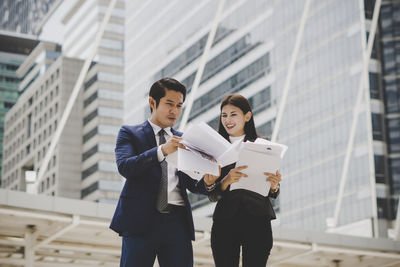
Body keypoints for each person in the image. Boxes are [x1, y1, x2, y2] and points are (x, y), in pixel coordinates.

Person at [110, 78, 218, 267]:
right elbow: (125, 166)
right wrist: (162, 151)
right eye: (169, 104)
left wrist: (208, 182)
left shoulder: (185, 140)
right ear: (152, 102)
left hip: (177, 224)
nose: (174, 111)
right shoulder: (129, 133)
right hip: (140, 221)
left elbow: (192, 184)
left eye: (179, 105)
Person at [207, 94, 282, 267]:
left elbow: (273, 193)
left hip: (258, 221)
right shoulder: (216, 149)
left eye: (234, 114)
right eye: (224, 115)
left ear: (247, 116)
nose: (228, 120)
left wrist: (274, 185)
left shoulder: (264, 146)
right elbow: (211, 194)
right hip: (225, 222)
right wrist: (226, 181)